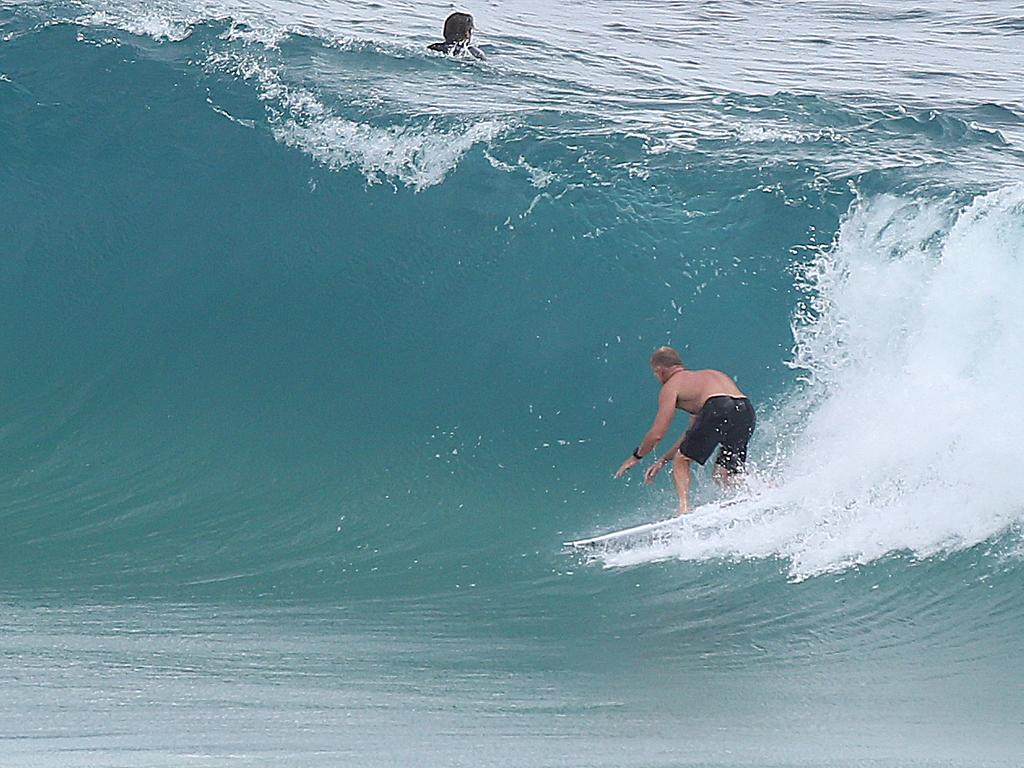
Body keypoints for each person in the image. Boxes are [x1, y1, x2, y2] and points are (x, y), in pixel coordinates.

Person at [614, 346, 755, 516]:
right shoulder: (709, 376)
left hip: (718, 407)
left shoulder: (672, 385)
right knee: (724, 474)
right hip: (745, 409)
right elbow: (693, 431)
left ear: (660, 371)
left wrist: (636, 457)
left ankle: (683, 510)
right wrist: (663, 460)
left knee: (681, 461)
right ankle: (763, 490)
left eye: (655, 373)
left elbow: (657, 433)